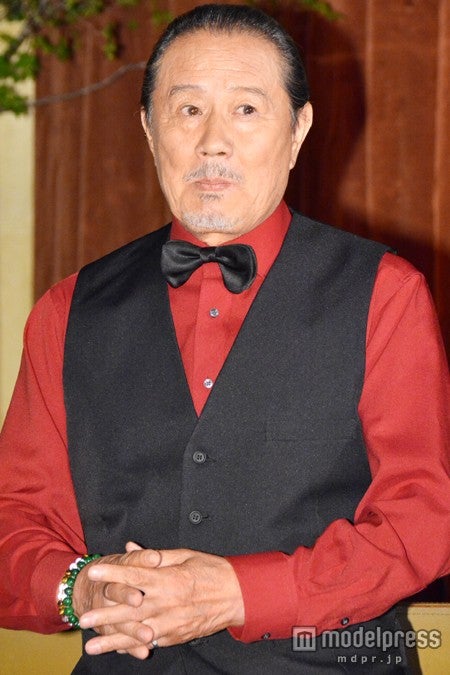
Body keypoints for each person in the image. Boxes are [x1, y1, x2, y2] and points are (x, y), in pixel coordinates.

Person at [0, 4, 449, 673]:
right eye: (188, 110)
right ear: (149, 129)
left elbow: (424, 519)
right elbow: (14, 522)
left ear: (297, 130)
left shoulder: (387, 293)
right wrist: (80, 588)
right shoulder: (66, 311)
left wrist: (242, 594)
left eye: (245, 109)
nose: (213, 142)